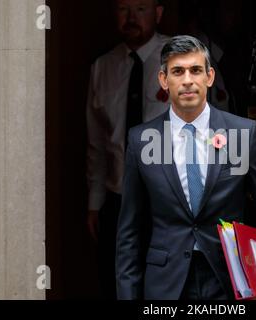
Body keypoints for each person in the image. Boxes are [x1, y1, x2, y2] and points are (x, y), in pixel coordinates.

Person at [115, 35, 256, 300]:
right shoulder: (140, 140)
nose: (188, 79)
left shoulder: (242, 134)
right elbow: (129, 233)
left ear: (209, 77)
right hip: (166, 285)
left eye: (196, 70)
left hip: (229, 280)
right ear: (163, 80)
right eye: (178, 71)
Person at [85, 0, 169, 299]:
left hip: (167, 201)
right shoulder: (103, 67)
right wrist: (95, 204)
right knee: (116, 285)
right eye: (123, 9)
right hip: (118, 202)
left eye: (141, 9)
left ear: (158, 13)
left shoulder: (183, 59)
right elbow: (97, 143)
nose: (131, 18)